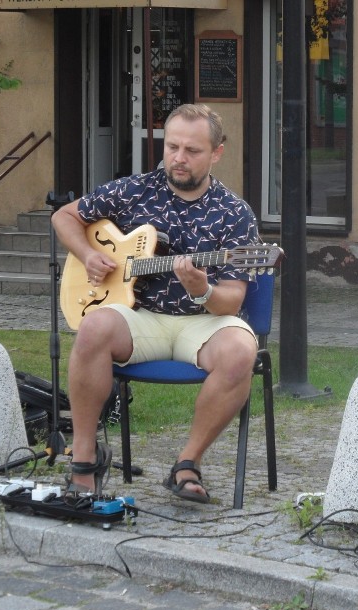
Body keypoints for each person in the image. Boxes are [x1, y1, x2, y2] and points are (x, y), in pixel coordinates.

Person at [52, 103, 260, 504]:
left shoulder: (235, 214)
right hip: (140, 317)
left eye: (192, 151)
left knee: (240, 350)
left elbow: (231, 301)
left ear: (216, 153)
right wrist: (87, 254)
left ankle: (187, 463)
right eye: (172, 147)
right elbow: (64, 216)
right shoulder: (134, 190)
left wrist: (201, 289)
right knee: (93, 326)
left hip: (202, 322)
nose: (179, 159)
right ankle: (84, 460)